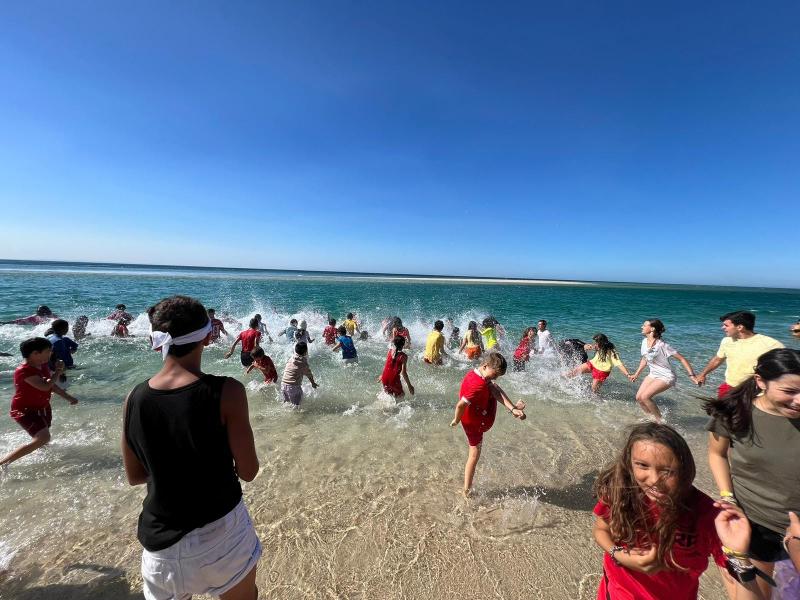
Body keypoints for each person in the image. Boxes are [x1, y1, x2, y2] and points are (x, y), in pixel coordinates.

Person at [121, 295, 261, 600]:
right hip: (221, 534)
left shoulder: (134, 397)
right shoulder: (228, 392)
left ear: (158, 340)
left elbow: (134, 475)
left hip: (161, 547)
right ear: (208, 337)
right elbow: (249, 471)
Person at [593, 422, 764, 600]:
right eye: (642, 465)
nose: (653, 480)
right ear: (629, 463)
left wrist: (740, 556)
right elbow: (601, 529)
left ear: (684, 470)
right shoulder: (621, 490)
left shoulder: (706, 515)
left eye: (667, 471)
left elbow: (738, 585)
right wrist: (620, 555)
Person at [705, 348, 800, 598]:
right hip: (755, 520)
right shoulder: (734, 412)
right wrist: (727, 496)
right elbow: (717, 454)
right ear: (760, 382)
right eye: (790, 391)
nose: (799, 400)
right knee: (756, 587)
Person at [449, 353, 526, 497]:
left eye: (496, 376)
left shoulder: (476, 374)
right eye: (493, 375)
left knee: (493, 387)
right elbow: (460, 405)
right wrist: (456, 420)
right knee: (474, 456)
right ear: (485, 366)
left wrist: (512, 407)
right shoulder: (478, 385)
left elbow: (491, 389)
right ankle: (466, 490)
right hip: (474, 422)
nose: (494, 378)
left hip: (478, 411)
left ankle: (514, 409)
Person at [0, 337, 79, 471]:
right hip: (25, 410)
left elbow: (51, 385)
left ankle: (44, 459)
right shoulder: (24, 370)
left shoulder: (41, 366)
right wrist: (58, 371)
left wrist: (68, 397)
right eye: (48, 351)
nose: (51, 353)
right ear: (35, 353)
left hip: (43, 407)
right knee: (43, 438)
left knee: (43, 439)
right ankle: (3, 464)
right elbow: (45, 386)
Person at [696, 310, 783, 399]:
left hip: (756, 393)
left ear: (740, 327)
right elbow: (718, 359)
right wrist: (703, 374)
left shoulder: (771, 345)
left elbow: (784, 371)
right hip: (729, 386)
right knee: (721, 412)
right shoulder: (727, 341)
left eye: (726, 325)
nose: (722, 328)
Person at [628, 320, 699, 421]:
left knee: (645, 397)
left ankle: (660, 421)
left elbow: (682, 359)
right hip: (653, 374)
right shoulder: (644, 342)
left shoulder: (662, 345)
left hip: (666, 376)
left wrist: (692, 376)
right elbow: (645, 358)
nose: (641, 327)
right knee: (639, 398)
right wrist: (636, 374)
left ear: (652, 329)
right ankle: (651, 417)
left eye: (644, 325)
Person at [564, 333, 632, 393]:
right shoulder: (599, 346)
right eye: (595, 342)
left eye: (597, 342)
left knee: (593, 392)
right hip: (592, 364)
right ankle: (563, 382)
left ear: (602, 343)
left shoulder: (611, 351)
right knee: (572, 372)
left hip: (601, 371)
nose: (595, 344)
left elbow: (619, 363)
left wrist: (627, 375)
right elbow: (593, 347)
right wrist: (587, 346)